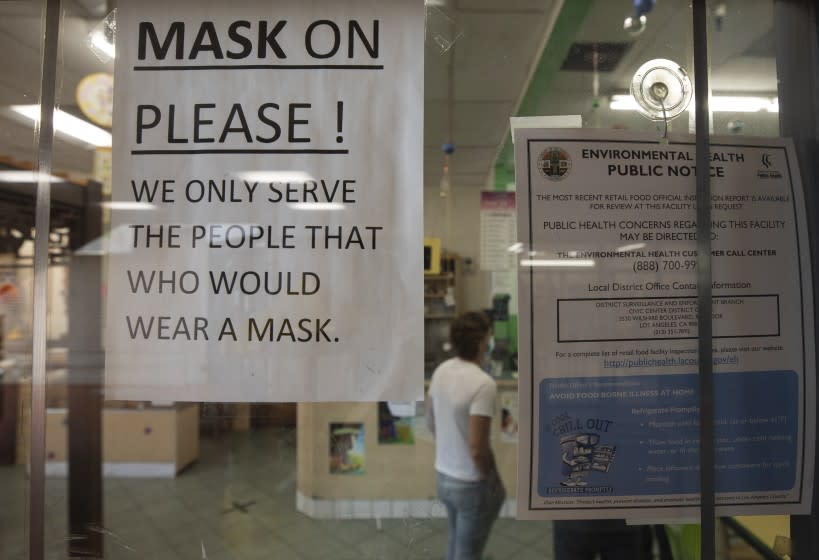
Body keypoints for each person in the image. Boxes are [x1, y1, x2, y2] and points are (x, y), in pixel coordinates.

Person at [426, 311, 505, 560]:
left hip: (443, 476)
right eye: (489, 336)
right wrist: (488, 479)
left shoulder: (441, 371)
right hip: (470, 483)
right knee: (468, 552)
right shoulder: (484, 384)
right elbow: (477, 449)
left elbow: (430, 422)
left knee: (456, 539)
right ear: (482, 343)